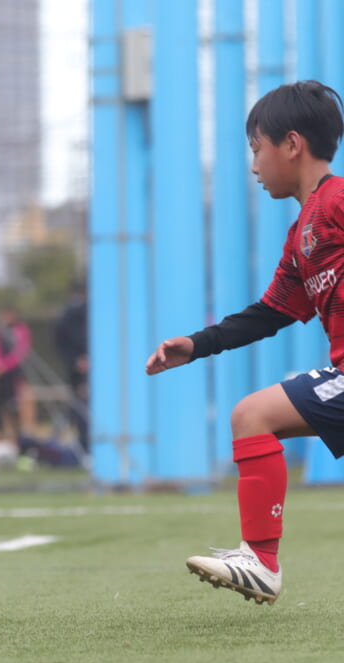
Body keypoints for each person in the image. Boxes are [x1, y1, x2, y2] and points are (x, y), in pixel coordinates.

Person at [145, 80, 344, 606]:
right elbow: (272, 311)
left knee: (251, 416)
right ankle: (259, 560)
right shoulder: (302, 233)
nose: (254, 166)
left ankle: (260, 561)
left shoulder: (338, 201)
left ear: (292, 144)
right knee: (252, 416)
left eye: (257, 150)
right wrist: (196, 344)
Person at [0, 304, 32, 451]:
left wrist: (4, 366)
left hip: (13, 375)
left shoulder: (21, 330)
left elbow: (20, 352)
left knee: (12, 406)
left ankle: (18, 438)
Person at [54, 281, 89, 453]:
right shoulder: (75, 312)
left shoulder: (69, 313)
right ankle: (83, 442)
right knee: (79, 402)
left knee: (77, 404)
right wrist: (78, 359)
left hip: (77, 365)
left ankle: (60, 434)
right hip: (79, 368)